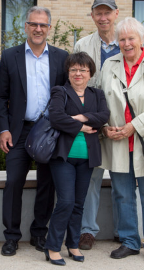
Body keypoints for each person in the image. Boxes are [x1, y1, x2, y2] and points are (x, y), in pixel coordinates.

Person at [97, 17, 144, 263]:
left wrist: (134, 126)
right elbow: (100, 100)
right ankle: (130, 242)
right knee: (122, 194)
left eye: (131, 38)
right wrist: (104, 128)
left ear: (141, 40)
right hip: (119, 141)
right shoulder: (109, 64)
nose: (126, 43)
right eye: (122, 39)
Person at [0, 6, 68, 256]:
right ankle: (12, 237)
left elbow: (67, 95)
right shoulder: (10, 56)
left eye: (43, 25)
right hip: (19, 131)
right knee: (14, 182)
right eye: (33, 24)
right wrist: (3, 129)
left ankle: (39, 233)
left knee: (47, 183)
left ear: (49, 28)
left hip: (50, 131)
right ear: (25, 26)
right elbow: (1, 97)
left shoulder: (61, 57)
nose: (38, 29)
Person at [44, 52, 110, 266]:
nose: (78, 73)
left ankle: (72, 245)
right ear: (68, 72)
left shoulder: (97, 94)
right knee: (66, 201)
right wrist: (82, 126)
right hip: (64, 157)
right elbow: (55, 116)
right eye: (73, 69)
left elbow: (103, 116)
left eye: (83, 69)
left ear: (90, 73)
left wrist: (79, 117)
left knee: (79, 204)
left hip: (87, 158)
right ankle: (52, 246)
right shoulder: (60, 92)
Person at [74, 0, 120, 250]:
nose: (103, 17)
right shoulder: (83, 44)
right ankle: (88, 230)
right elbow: (78, 83)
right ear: (92, 16)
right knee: (91, 179)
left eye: (107, 12)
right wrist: (94, 120)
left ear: (115, 14)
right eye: (98, 13)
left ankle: (124, 230)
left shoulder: (126, 42)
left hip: (123, 126)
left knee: (123, 179)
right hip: (94, 125)